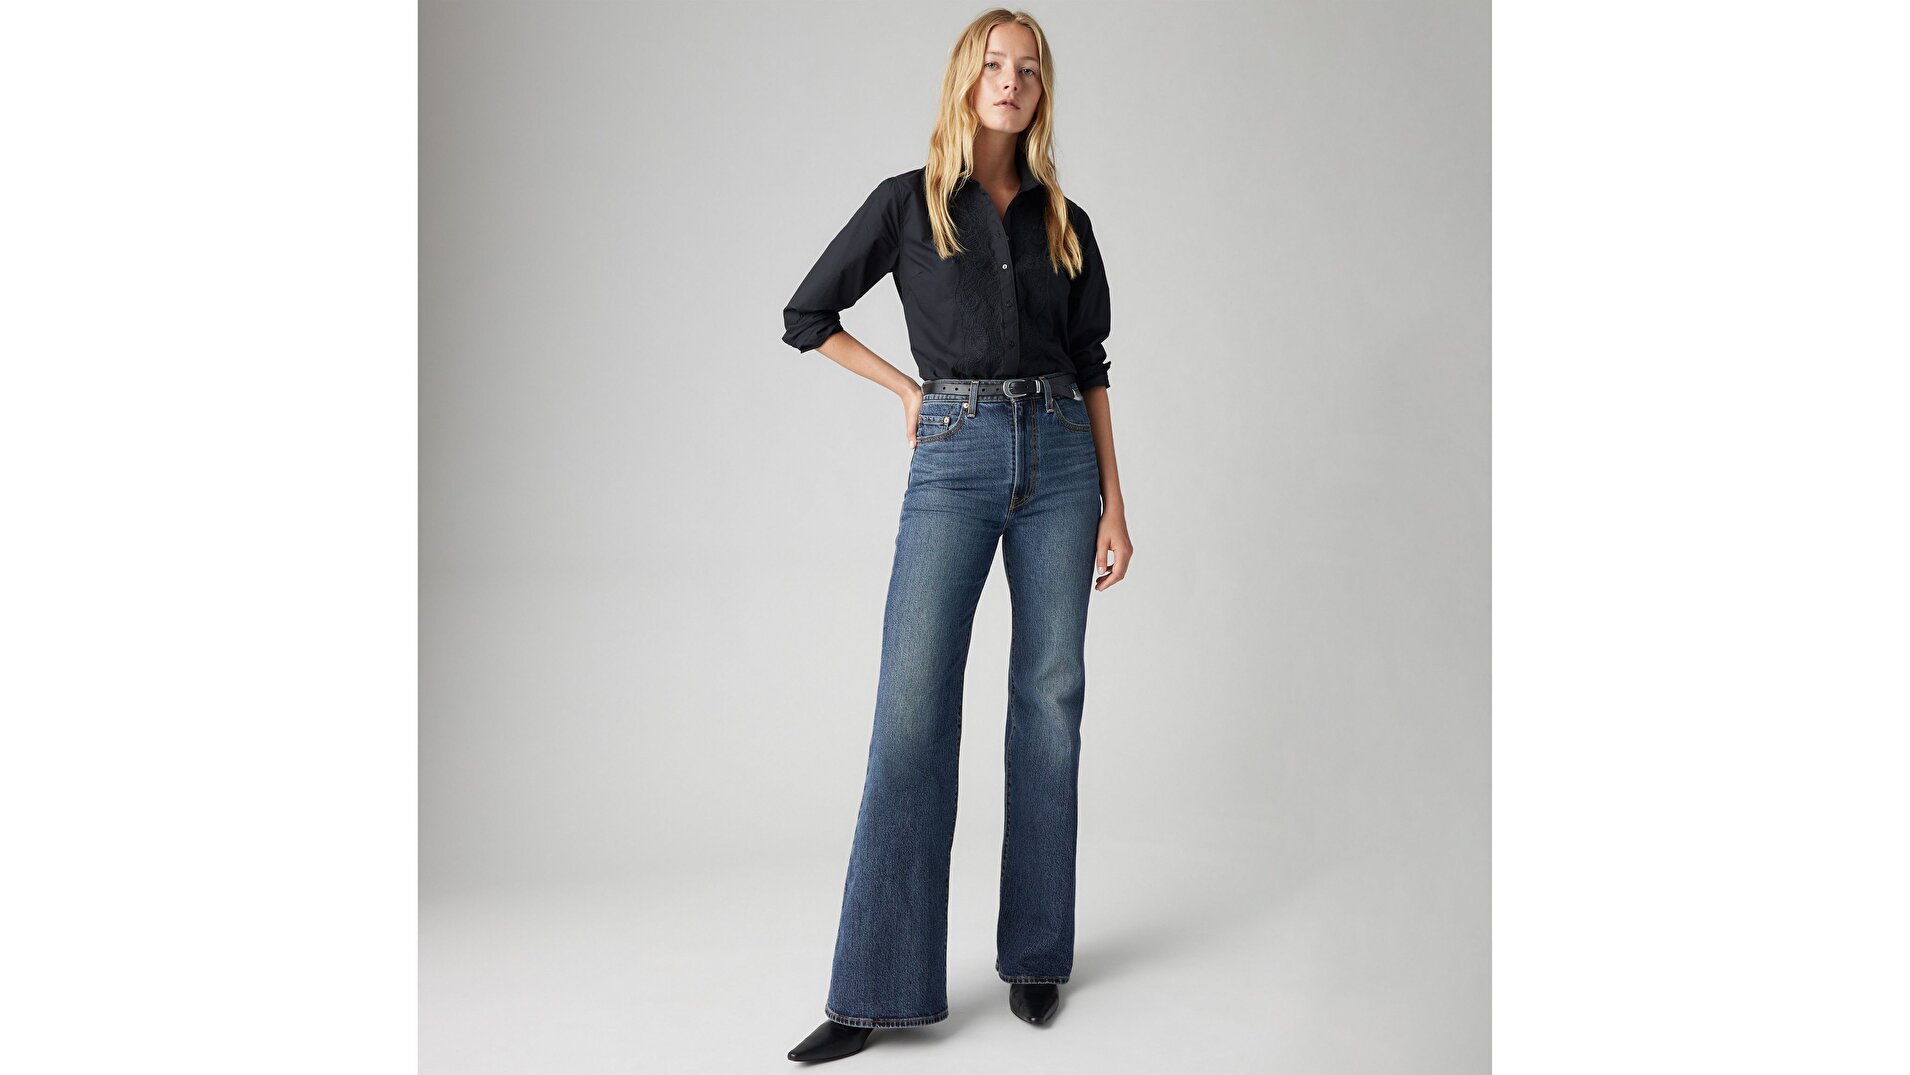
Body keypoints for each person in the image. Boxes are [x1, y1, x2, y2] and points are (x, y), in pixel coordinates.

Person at [780, 10, 1132, 1064]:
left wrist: (1116, 503)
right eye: (993, 64)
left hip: (1062, 457)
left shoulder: (1064, 219)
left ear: (1041, 91)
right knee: (912, 707)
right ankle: (873, 988)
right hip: (956, 449)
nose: (1009, 81)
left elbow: (1092, 366)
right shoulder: (908, 203)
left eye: (1027, 68)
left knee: (1050, 701)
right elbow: (806, 315)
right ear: (965, 81)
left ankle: (1036, 955)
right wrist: (906, 391)